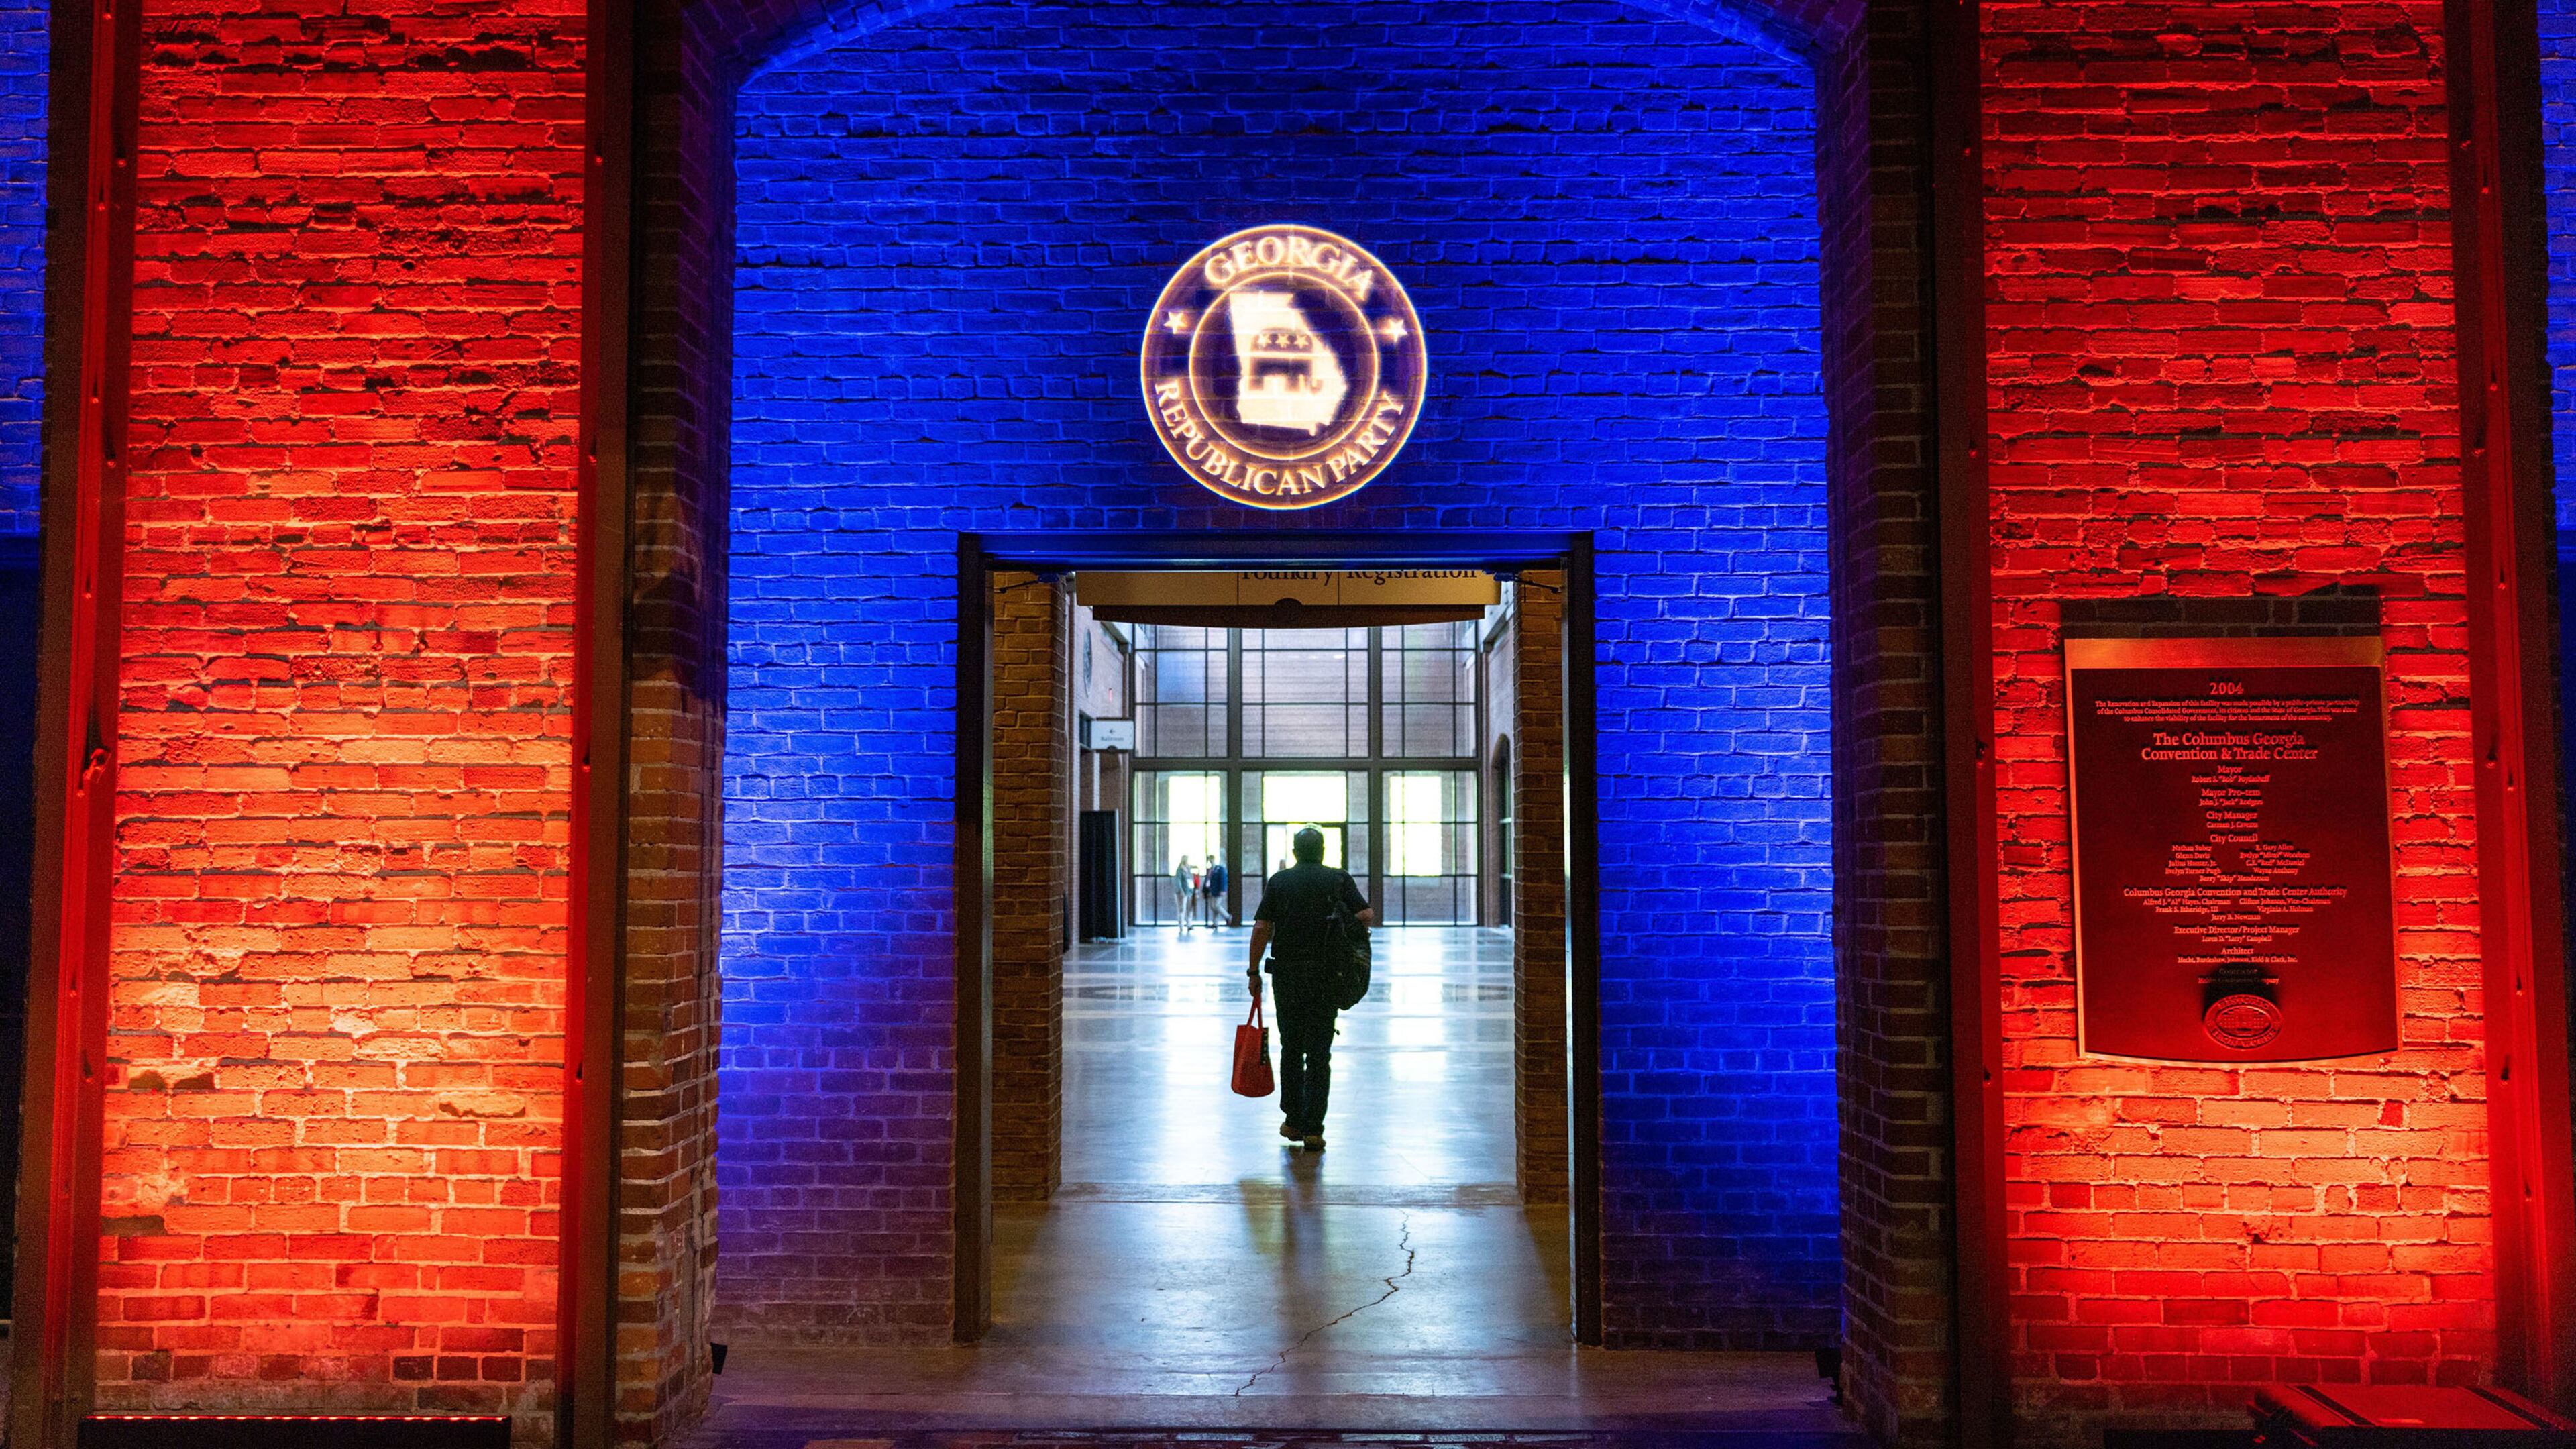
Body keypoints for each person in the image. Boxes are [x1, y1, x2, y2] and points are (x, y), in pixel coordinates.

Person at [1247, 826, 1372, 1151]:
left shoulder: (1279, 881)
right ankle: (1315, 1129)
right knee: (1319, 1052)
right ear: (1323, 850)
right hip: (1327, 974)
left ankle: (1293, 1121)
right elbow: (1365, 915)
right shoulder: (1338, 879)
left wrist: (1253, 970)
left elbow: (1262, 927)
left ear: (1294, 851)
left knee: (1291, 1046)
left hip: (1287, 975)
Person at [1202, 855, 1229, 928]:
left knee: (1217, 905)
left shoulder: (1220, 869)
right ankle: (1215, 923)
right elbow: (1207, 880)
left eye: (1211, 860)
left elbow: (1223, 880)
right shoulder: (1210, 870)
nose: (1211, 862)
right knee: (1213, 907)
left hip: (1218, 891)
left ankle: (1227, 916)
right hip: (1211, 891)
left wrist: (1223, 890)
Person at [1173, 855, 1196, 933]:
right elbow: (1178, 881)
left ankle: (1189, 924)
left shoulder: (1188, 870)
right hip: (1183, 892)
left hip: (1190, 891)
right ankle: (1181, 925)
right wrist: (1181, 891)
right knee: (1182, 909)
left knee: (1190, 909)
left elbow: (1191, 879)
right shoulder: (1180, 870)